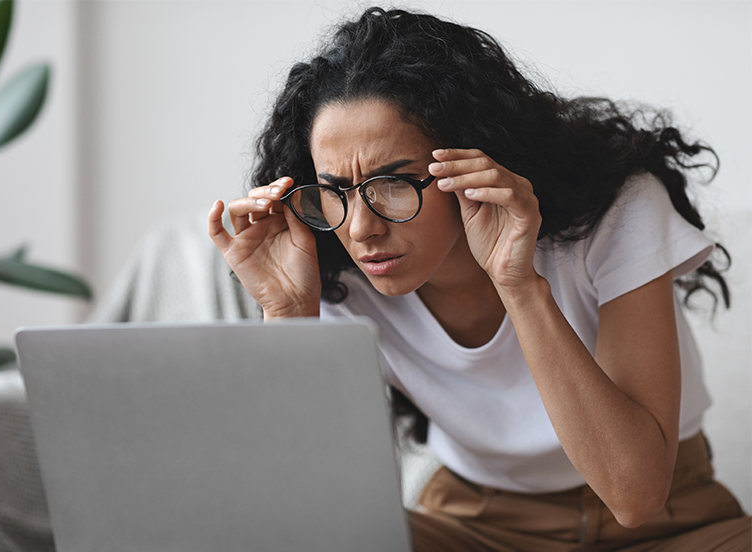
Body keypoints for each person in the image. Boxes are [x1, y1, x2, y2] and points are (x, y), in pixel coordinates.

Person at [208, 7, 750, 551]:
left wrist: (519, 284)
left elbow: (635, 496)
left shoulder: (617, 212)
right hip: (471, 524)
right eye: (336, 190)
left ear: (472, 163)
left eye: (394, 183)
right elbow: (291, 510)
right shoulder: (333, 267)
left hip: (675, 523)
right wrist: (287, 315)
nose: (363, 227)